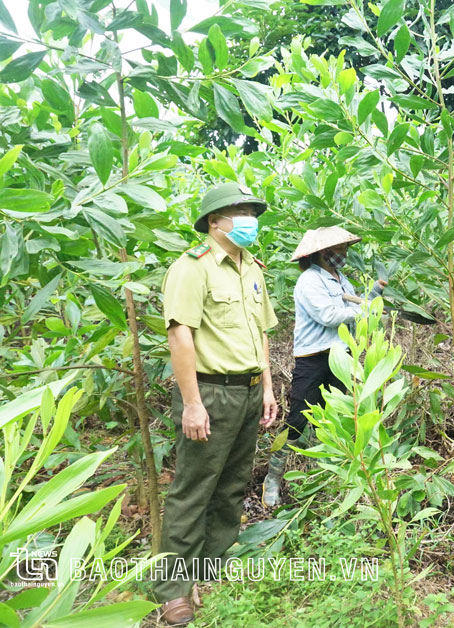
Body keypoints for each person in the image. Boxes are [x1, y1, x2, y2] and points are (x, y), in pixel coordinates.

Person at [155, 183, 279, 626]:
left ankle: (211, 563)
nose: (249, 219)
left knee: (231, 484)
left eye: (251, 210)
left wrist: (266, 388)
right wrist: (192, 403)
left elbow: (261, 333)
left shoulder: (252, 268)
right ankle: (172, 588)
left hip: (247, 391)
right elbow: (179, 334)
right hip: (209, 392)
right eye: (239, 211)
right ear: (214, 221)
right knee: (194, 489)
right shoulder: (194, 268)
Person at [261, 226, 387, 507]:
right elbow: (329, 316)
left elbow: (355, 310)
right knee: (298, 419)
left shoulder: (342, 280)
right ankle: (272, 477)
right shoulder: (308, 281)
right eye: (339, 250)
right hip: (313, 358)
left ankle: (327, 480)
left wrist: (373, 294)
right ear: (322, 253)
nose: (343, 254)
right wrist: (366, 309)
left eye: (344, 249)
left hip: (342, 356)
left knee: (338, 417)